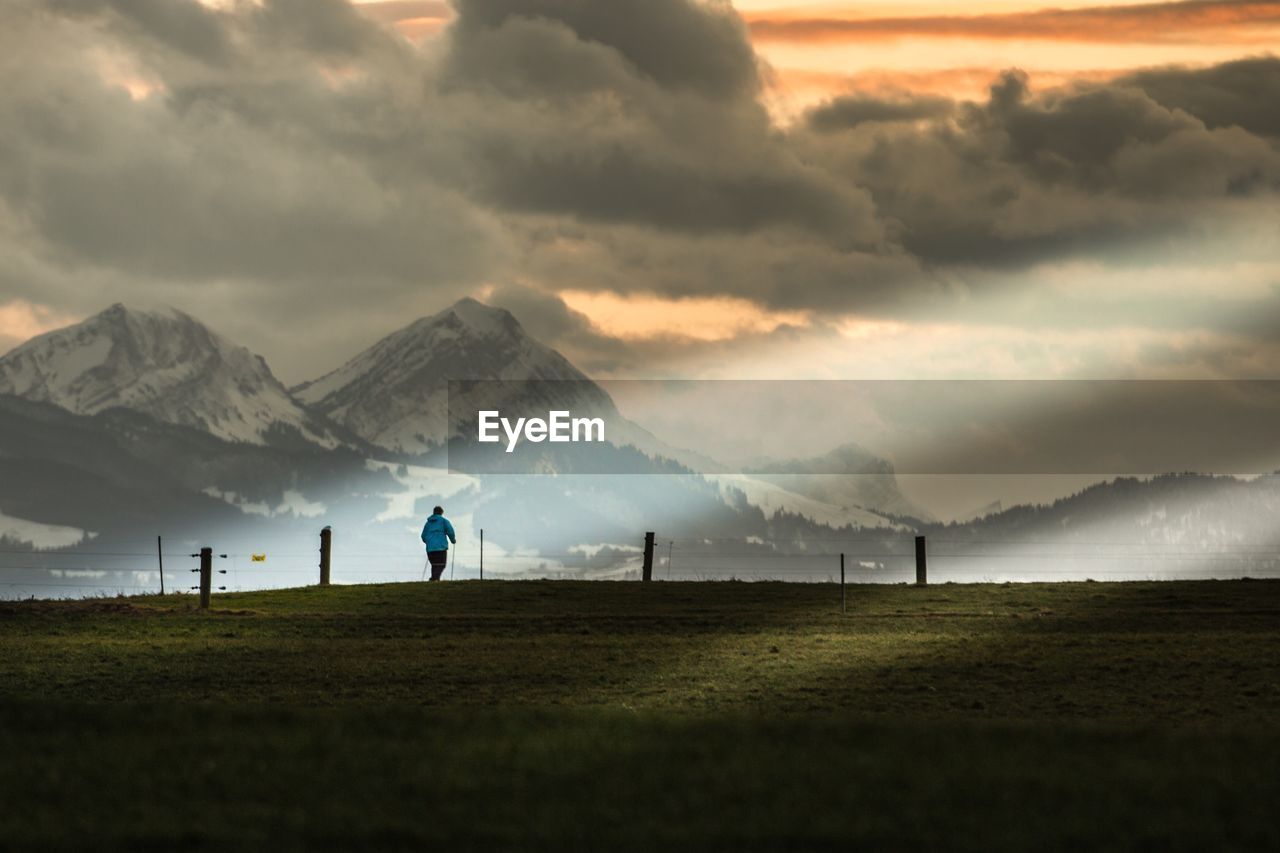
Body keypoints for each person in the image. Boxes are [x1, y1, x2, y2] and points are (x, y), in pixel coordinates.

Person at [420, 505, 457, 581]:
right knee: (441, 565)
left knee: (434, 565)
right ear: (441, 513)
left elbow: (423, 536)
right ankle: (434, 579)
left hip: (430, 549)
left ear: (433, 512)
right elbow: (450, 531)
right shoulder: (444, 521)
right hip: (441, 548)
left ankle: (435, 580)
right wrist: (453, 540)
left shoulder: (428, 523)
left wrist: (428, 542)